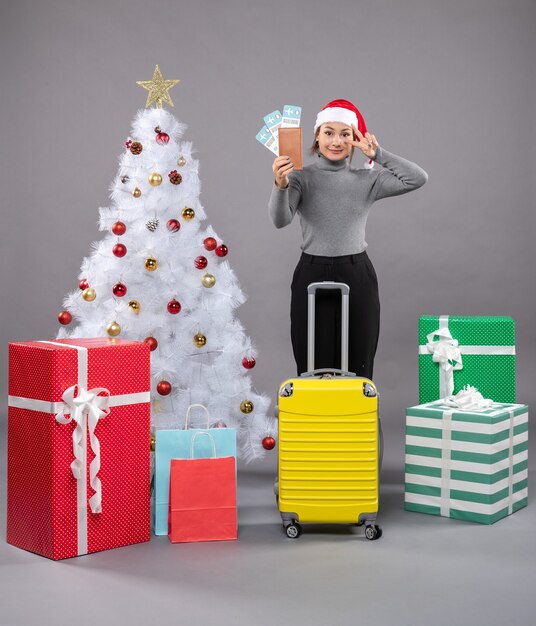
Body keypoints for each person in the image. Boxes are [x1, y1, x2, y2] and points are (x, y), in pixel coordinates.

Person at [269, 99, 428, 379]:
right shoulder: (299, 178)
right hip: (311, 271)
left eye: (345, 134)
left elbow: (417, 178)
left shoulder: (366, 179)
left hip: (356, 273)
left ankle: (354, 419)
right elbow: (280, 220)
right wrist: (280, 186)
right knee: (311, 361)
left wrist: (378, 154)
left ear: (355, 140)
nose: (336, 141)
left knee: (359, 358)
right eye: (329, 132)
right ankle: (316, 419)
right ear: (317, 136)